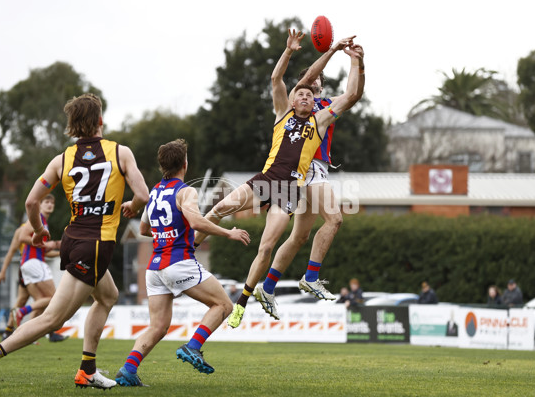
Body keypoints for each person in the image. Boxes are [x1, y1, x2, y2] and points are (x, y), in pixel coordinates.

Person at [0, 93, 149, 393]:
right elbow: (142, 195)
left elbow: (30, 202)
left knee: (108, 296)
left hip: (72, 239)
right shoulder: (121, 153)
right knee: (52, 319)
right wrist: (131, 205)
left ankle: (87, 370)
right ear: (100, 120)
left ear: (73, 126)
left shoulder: (61, 159)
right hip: (94, 246)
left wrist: (39, 231)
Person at [192, 30, 364, 328]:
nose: (308, 92)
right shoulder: (284, 112)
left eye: (312, 91)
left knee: (274, 244)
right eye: (303, 90)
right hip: (268, 178)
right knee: (220, 209)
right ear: (295, 96)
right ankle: (186, 248)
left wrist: (357, 63)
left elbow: (352, 95)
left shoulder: (320, 116)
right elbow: (278, 80)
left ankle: (249, 298)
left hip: (291, 188)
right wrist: (293, 50)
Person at [114, 139, 250, 386]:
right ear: (185, 165)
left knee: (158, 326)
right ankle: (193, 346)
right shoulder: (186, 191)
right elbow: (196, 222)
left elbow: (144, 228)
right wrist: (229, 232)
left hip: (155, 268)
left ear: (161, 165)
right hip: (178, 262)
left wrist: (167, 232)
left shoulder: (154, 192)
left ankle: (128, 370)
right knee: (223, 304)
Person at [258, 30, 361, 305]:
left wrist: (356, 61)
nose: (313, 82)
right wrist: (329, 52)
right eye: (309, 79)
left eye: (318, 80)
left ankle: (267, 288)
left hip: (315, 171)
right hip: (304, 168)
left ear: (322, 88)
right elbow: (302, 79)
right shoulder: (295, 102)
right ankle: (311, 277)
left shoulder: (325, 105)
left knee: (300, 236)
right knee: (335, 219)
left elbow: (353, 92)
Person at [8, 195, 67, 343]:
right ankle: (21, 312)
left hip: (32, 262)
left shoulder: (44, 223)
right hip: (33, 262)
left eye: (52, 202)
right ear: (40, 205)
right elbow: (22, 237)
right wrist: (46, 244)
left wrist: (60, 249)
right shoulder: (37, 218)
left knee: (42, 301)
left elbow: (45, 250)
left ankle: (28, 335)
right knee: (53, 299)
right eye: (46, 202)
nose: (50, 205)